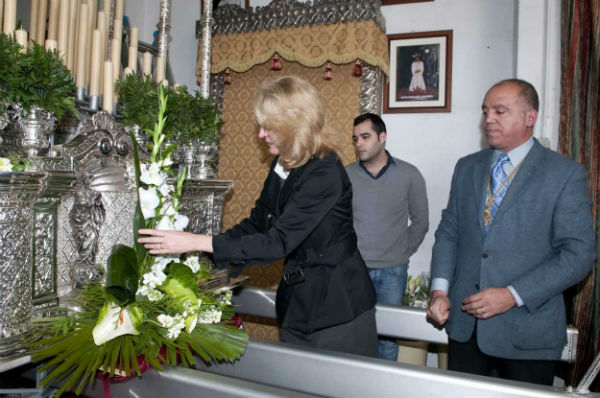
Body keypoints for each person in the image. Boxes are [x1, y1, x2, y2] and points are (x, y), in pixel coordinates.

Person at [139, 75, 378, 357]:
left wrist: (194, 241)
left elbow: (276, 243)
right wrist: (219, 275)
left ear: (294, 124)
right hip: (298, 304)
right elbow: (258, 222)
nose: (262, 135)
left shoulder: (324, 172)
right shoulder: (285, 162)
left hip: (337, 310)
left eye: (268, 127)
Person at [426, 79, 595, 385]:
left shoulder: (564, 174)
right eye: (485, 111)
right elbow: (450, 232)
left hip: (527, 335)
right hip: (465, 328)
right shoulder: (467, 167)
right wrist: (439, 290)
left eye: (500, 111)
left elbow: (578, 254)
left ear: (530, 117)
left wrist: (512, 295)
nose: (488, 119)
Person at [346, 113, 429, 361]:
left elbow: (421, 222)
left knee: (387, 339)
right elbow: (338, 222)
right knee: (352, 335)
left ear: (382, 137)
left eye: (365, 136)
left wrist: (401, 252)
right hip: (354, 270)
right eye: (355, 138)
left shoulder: (409, 174)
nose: (359, 143)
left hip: (392, 272)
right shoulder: (346, 175)